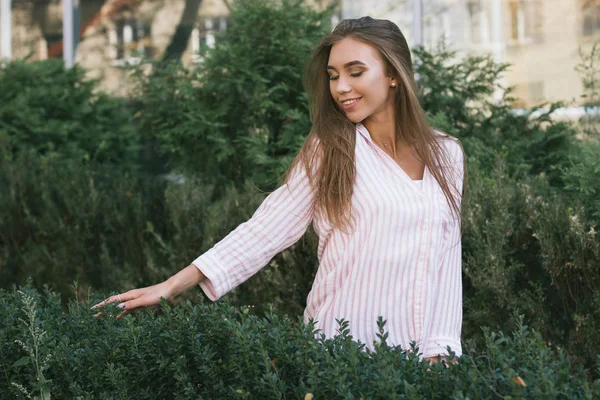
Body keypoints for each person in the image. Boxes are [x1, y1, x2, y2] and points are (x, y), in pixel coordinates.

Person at [92, 17, 466, 364]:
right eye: (334, 76)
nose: (342, 88)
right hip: (341, 354)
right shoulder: (333, 148)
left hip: (421, 362)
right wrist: (172, 285)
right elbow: (267, 229)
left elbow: (446, 260)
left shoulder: (447, 154)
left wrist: (444, 352)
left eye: (356, 72)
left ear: (394, 75)